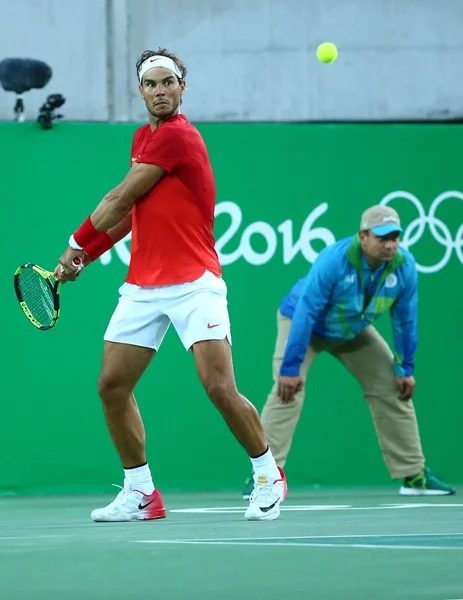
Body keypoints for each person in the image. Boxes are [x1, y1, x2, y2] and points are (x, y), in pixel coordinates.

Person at [54, 47, 287, 522]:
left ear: (183, 86)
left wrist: (74, 241)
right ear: (141, 91)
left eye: (168, 83)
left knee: (218, 386)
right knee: (112, 386)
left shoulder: (179, 137)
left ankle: (268, 473)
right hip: (143, 285)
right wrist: (88, 255)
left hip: (195, 283)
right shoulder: (144, 137)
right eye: (150, 84)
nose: (160, 91)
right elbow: (134, 213)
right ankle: (141, 493)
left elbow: (118, 198)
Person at [241, 205, 455, 500]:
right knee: (287, 390)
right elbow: (306, 311)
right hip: (305, 323)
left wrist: (405, 368)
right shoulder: (334, 260)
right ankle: (265, 475)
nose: (390, 244)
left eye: (395, 237)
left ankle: (414, 475)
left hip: (352, 330)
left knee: (393, 388)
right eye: (382, 237)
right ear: (363, 236)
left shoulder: (404, 267)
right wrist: (290, 369)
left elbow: (405, 320)